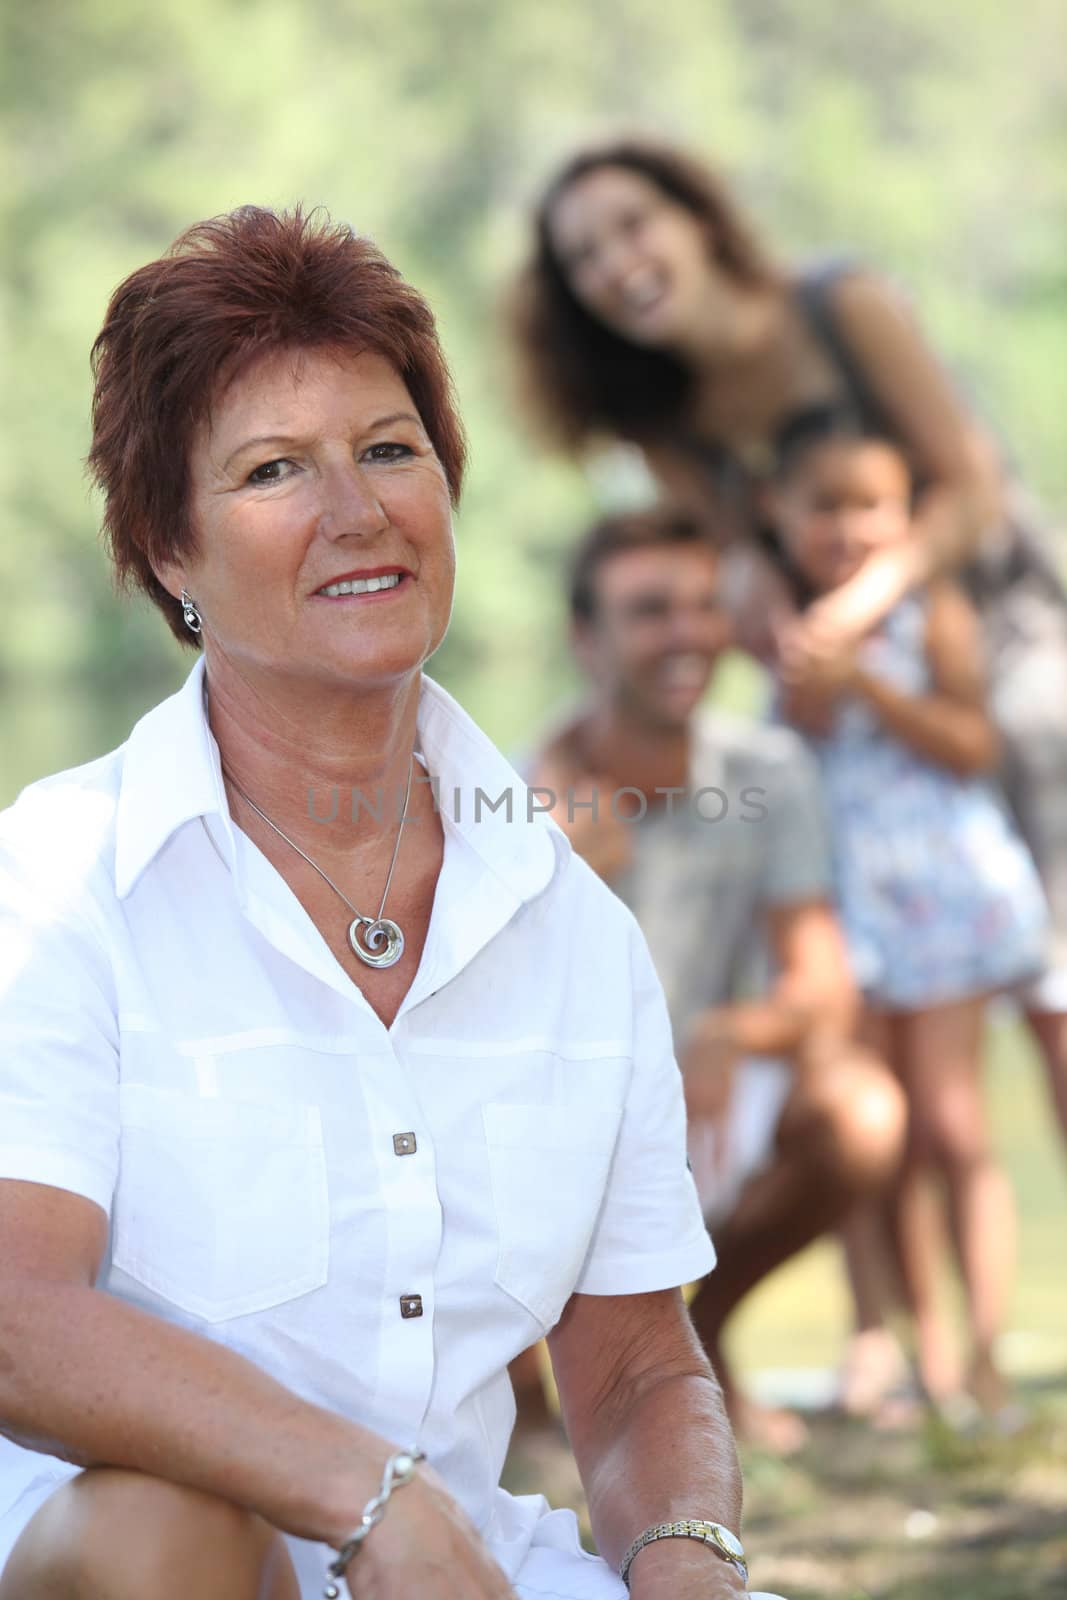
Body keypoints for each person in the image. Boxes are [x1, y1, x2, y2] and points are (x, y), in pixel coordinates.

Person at [0, 207, 788, 1600]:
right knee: (157, 1537)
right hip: (125, 1565)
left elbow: (630, 1365)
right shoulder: (58, 876)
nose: (354, 511)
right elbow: (15, 1315)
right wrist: (369, 1499)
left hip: (471, 1571)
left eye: (386, 449)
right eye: (270, 471)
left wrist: (686, 1559)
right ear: (169, 555)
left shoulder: (568, 923)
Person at [508, 136, 1067, 1225]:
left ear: (696, 219)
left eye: (631, 225)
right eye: (583, 257)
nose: (616, 262)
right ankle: (904, 1344)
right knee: (861, 1023)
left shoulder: (838, 304)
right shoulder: (656, 413)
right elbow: (738, 562)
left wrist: (859, 613)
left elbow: (970, 490)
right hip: (835, 697)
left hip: (994, 633)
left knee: (1054, 999)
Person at [523, 505, 906, 1452]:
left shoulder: (766, 769)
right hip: (561, 1121)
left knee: (864, 1111)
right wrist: (556, 855)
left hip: (709, 1100)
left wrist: (733, 1034)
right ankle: (535, 1409)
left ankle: (702, 1336)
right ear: (586, 639)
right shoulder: (517, 793)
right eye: (650, 610)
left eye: (702, 605)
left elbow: (824, 982)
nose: (688, 633)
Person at [769, 413, 1048, 1416]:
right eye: (823, 506)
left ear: (903, 516)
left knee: (951, 1124)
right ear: (779, 514)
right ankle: (901, 1343)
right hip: (839, 902)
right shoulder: (774, 614)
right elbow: (786, 734)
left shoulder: (925, 609)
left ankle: (979, 1349)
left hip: (942, 893)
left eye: (869, 506)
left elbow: (972, 743)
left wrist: (870, 689)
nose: (846, 528)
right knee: (876, 1139)